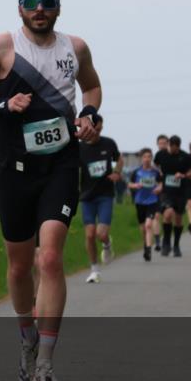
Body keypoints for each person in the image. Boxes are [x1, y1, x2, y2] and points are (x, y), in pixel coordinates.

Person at [0, 0, 102, 381]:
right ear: (20, 8)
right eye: (32, 2)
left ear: (58, 8)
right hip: (15, 169)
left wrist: (90, 114)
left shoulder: (76, 48)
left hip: (61, 165)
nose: (40, 8)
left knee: (51, 257)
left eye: (47, 2)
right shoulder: (3, 47)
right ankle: (27, 338)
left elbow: (92, 86)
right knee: (20, 267)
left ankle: (45, 367)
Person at [78, 117, 121, 283]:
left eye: (100, 129)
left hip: (105, 195)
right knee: (89, 235)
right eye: (95, 128)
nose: (97, 132)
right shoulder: (80, 147)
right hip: (87, 196)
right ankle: (94, 270)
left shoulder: (108, 143)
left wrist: (117, 172)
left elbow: (119, 159)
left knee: (101, 233)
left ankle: (107, 244)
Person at [156, 135, 191, 257]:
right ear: (169, 145)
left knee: (178, 218)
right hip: (166, 191)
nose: (173, 150)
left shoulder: (185, 156)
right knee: (167, 214)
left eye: (176, 148)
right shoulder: (161, 154)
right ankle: (166, 242)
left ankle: (176, 245)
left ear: (179, 146)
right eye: (171, 147)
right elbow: (156, 165)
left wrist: (183, 175)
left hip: (181, 191)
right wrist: (160, 173)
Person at [129, 148, 163, 260]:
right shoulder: (136, 172)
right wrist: (135, 185)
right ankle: (145, 244)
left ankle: (148, 250)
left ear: (151, 158)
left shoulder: (155, 172)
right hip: (139, 201)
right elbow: (129, 184)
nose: (147, 159)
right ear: (141, 158)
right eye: (144, 157)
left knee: (148, 225)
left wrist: (159, 188)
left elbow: (161, 183)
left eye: (149, 157)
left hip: (152, 201)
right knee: (143, 227)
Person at [151, 134, 169, 251]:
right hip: (158, 189)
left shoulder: (172, 155)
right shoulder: (157, 156)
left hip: (169, 190)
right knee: (157, 215)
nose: (162, 145)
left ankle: (166, 238)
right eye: (160, 143)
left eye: (164, 143)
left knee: (167, 216)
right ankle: (157, 241)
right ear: (157, 144)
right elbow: (154, 169)